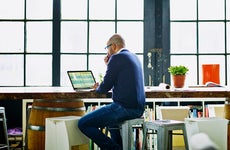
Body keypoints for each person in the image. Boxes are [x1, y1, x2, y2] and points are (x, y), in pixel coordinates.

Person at [78, 33, 146, 150]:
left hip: (124, 108)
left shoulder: (117, 58)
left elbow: (104, 88)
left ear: (113, 46)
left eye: (107, 48)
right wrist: (109, 64)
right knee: (111, 121)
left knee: (83, 123)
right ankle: (117, 146)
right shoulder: (134, 57)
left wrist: (96, 88)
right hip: (138, 108)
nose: (107, 52)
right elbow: (118, 77)